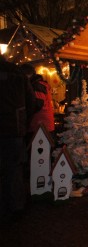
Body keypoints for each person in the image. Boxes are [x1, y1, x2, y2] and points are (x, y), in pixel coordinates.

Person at [0, 55, 36, 223]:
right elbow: (32, 102)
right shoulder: (18, 73)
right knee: (14, 169)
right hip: (14, 129)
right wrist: (23, 119)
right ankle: (16, 205)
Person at [20, 63, 55, 139]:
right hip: (45, 124)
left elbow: (37, 104)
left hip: (39, 124)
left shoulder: (36, 86)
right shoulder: (41, 84)